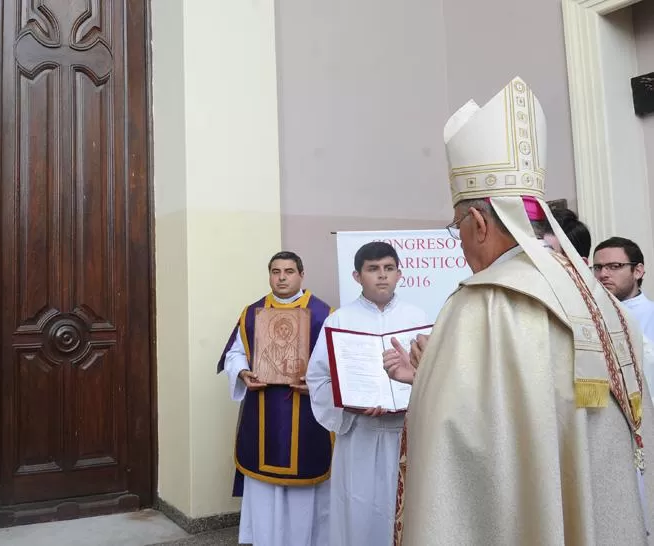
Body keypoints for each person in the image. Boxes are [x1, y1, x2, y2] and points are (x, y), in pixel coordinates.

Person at [382, 77, 654, 545]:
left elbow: (462, 445)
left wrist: (428, 377)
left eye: (458, 227)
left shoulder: (486, 302)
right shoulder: (600, 298)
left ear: (481, 223)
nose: (461, 241)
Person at [305, 241, 427, 545]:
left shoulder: (419, 318)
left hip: (407, 434)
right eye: (373, 269)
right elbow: (318, 377)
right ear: (357, 276)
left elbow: (435, 372)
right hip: (360, 434)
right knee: (358, 511)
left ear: (400, 274)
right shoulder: (339, 321)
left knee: (407, 509)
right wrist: (351, 407)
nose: (382, 276)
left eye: (388, 268)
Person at [216, 251, 333, 546]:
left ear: (301, 275)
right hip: (262, 411)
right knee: (263, 488)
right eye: (276, 271)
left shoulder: (324, 314)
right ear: (269, 275)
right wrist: (243, 373)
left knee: (304, 488)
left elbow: (336, 364)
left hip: (307, 413)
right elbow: (234, 355)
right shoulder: (252, 313)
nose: (282, 277)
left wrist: (317, 383)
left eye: (289, 271)